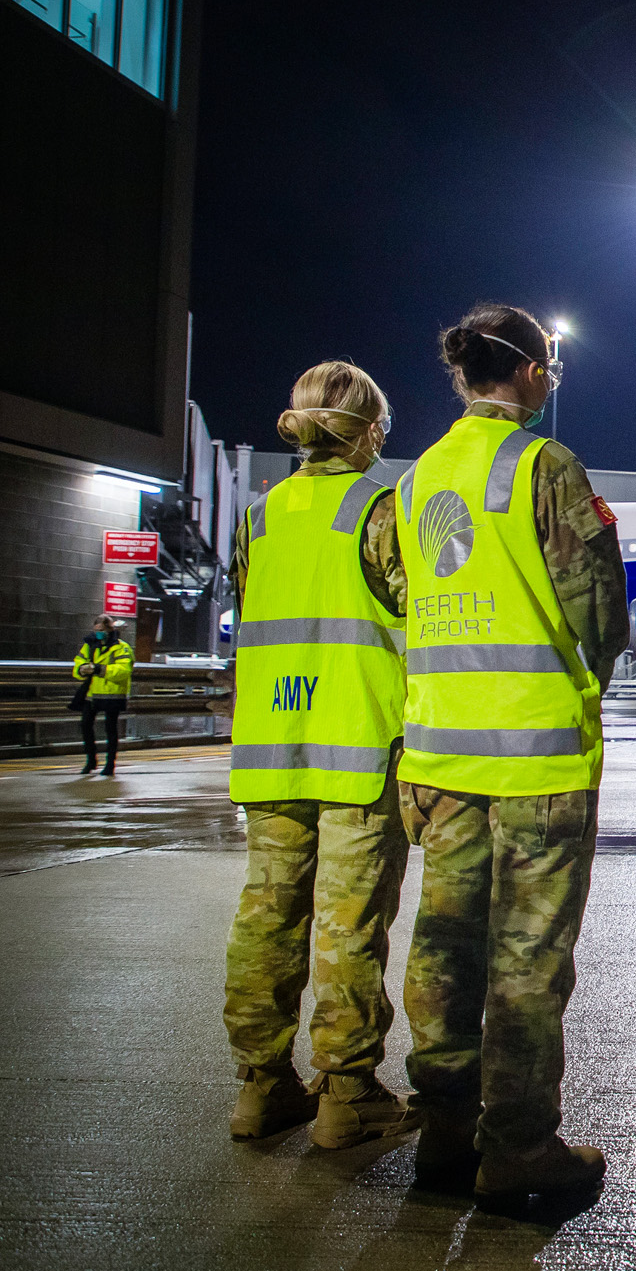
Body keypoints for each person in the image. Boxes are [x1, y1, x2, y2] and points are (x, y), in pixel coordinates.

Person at [397, 303, 627, 1201]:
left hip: (439, 763)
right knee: (526, 964)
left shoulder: (416, 480)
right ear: (529, 371)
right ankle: (519, 1149)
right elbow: (598, 610)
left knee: (443, 951)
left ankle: (444, 1132)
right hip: (536, 763)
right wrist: (581, 677)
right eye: (549, 368)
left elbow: (399, 596)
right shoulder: (544, 467)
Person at [222, 360, 417, 1148]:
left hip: (270, 748)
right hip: (360, 751)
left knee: (265, 918)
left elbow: (249, 605)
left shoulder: (259, 517)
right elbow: (418, 617)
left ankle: (261, 1087)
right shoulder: (379, 510)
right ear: (369, 431)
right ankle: (346, 1095)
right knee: (348, 928)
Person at [72, 615, 133, 774]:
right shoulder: (90, 645)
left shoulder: (121, 647)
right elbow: (78, 662)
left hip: (112, 694)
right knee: (85, 725)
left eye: (101, 630)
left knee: (110, 729)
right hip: (92, 693)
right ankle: (91, 760)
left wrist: (99, 669)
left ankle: (109, 764)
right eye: (96, 630)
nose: (98, 633)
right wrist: (82, 670)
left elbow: (124, 670)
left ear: (109, 630)